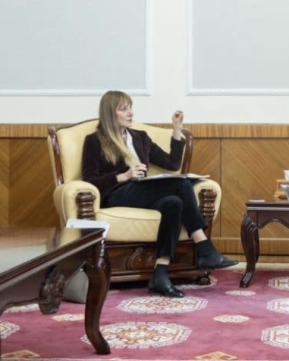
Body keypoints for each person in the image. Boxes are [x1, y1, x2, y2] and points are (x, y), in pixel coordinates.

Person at [81, 90, 235, 298]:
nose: (130, 113)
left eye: (130, 108)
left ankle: (160, 274)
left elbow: (172, 163)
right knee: (181, 186)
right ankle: (204, 248)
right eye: (124, 109)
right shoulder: (95, 140)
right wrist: (123, 176)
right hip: (118, 194)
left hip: (142, 191)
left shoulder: (140, 137)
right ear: (110, 113)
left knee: (173, 203)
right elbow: (89, 180)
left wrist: (176, 129)